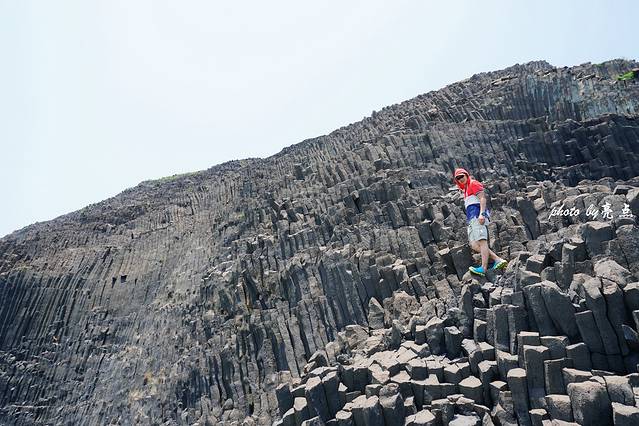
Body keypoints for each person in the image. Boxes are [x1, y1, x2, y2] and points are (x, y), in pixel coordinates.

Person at [453, 168, 508, 276]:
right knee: (474, 244)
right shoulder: (466, 189)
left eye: (462, 176)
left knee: (482, 241)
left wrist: (482, 214)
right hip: (471, 219)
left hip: (477, 216)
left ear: (466, 175)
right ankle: (497, 259)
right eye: (458, 178)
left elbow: (482, 198)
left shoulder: (473, 183)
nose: (460, 179)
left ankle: (483, 268)